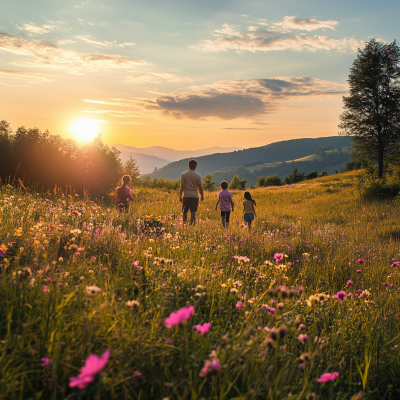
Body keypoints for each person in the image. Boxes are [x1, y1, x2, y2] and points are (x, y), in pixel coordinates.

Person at [180, 159, 203, 225]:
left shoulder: (183, 174)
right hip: (195, 196)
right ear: (195, 166)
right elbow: (200, 187)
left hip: (186, 195)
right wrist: (202, 195)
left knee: (185, 211)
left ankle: (184, 224)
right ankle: (192, 225)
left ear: (188, 166)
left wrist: (180, 195)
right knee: (193, 211)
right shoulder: (198, 175)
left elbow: (182, 186)